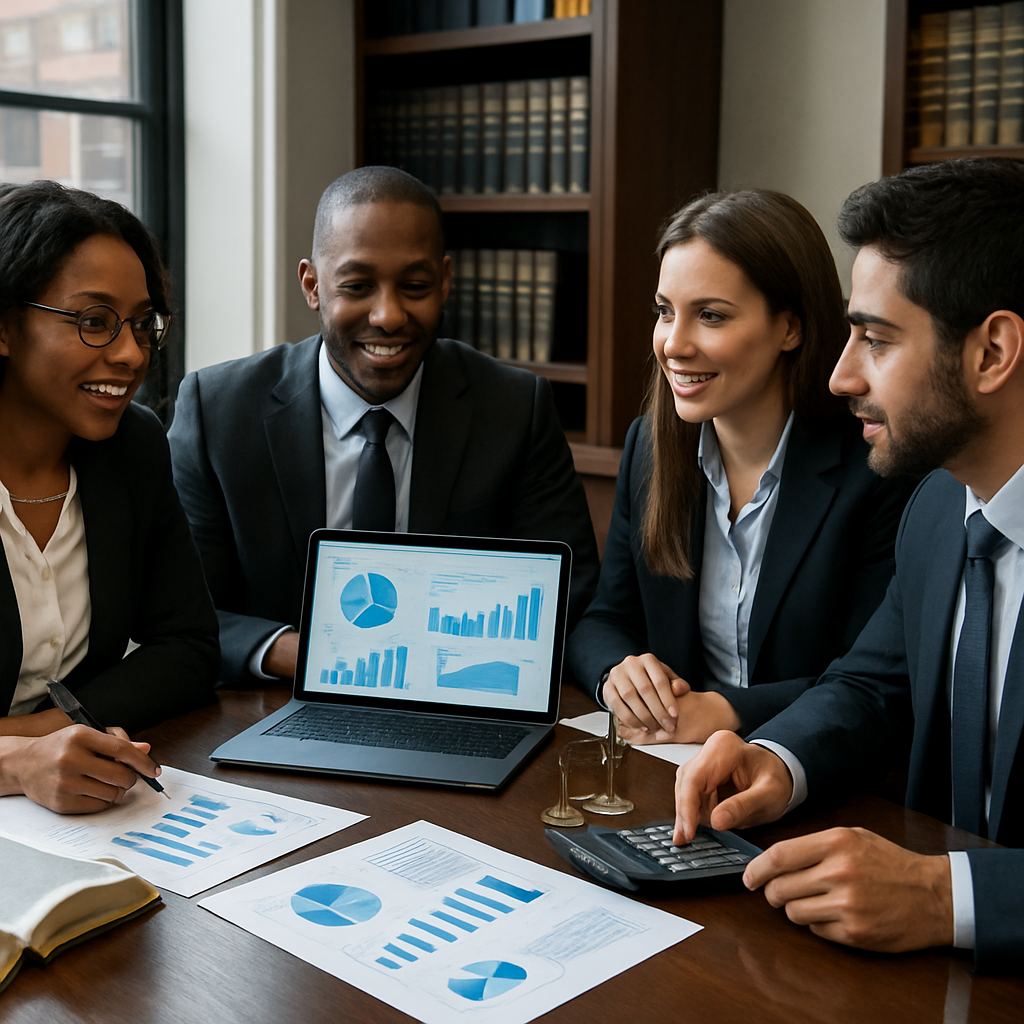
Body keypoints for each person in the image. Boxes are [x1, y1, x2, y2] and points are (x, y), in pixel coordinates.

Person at [673, 158, 1024, 972]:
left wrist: (945, 897)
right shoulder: (939, 507)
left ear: (993, 351)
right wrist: (777, 758)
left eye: (876, 337)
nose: (840, 375)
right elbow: (873, 685)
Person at [167, 166, 599, 687]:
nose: (388, 315)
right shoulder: (217, 412)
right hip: (272, 706)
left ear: (444, 282)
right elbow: (181, 610)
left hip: (455, 698)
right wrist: (298, 655)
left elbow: (570, 592)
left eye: (414, 286)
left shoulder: (514, 408)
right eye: (358, 286)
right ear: (312, 285)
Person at [566, 190, 913, 743]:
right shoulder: (651, 448)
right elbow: (605, 618)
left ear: (790, 328)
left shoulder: (877, 466)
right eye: (663, 312)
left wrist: (729, 712)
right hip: (671, 765)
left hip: (822, 778)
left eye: (710, 316)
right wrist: (617, 675)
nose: (673, 345)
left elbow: (878, 679)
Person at [0, 180, 219, 814]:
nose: (130, 354)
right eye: (94, 322)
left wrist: (56, 735)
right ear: (4, 327)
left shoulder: (131, 447)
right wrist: (18, 759)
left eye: (142, 324)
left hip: (74, 813)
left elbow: (188, 648)